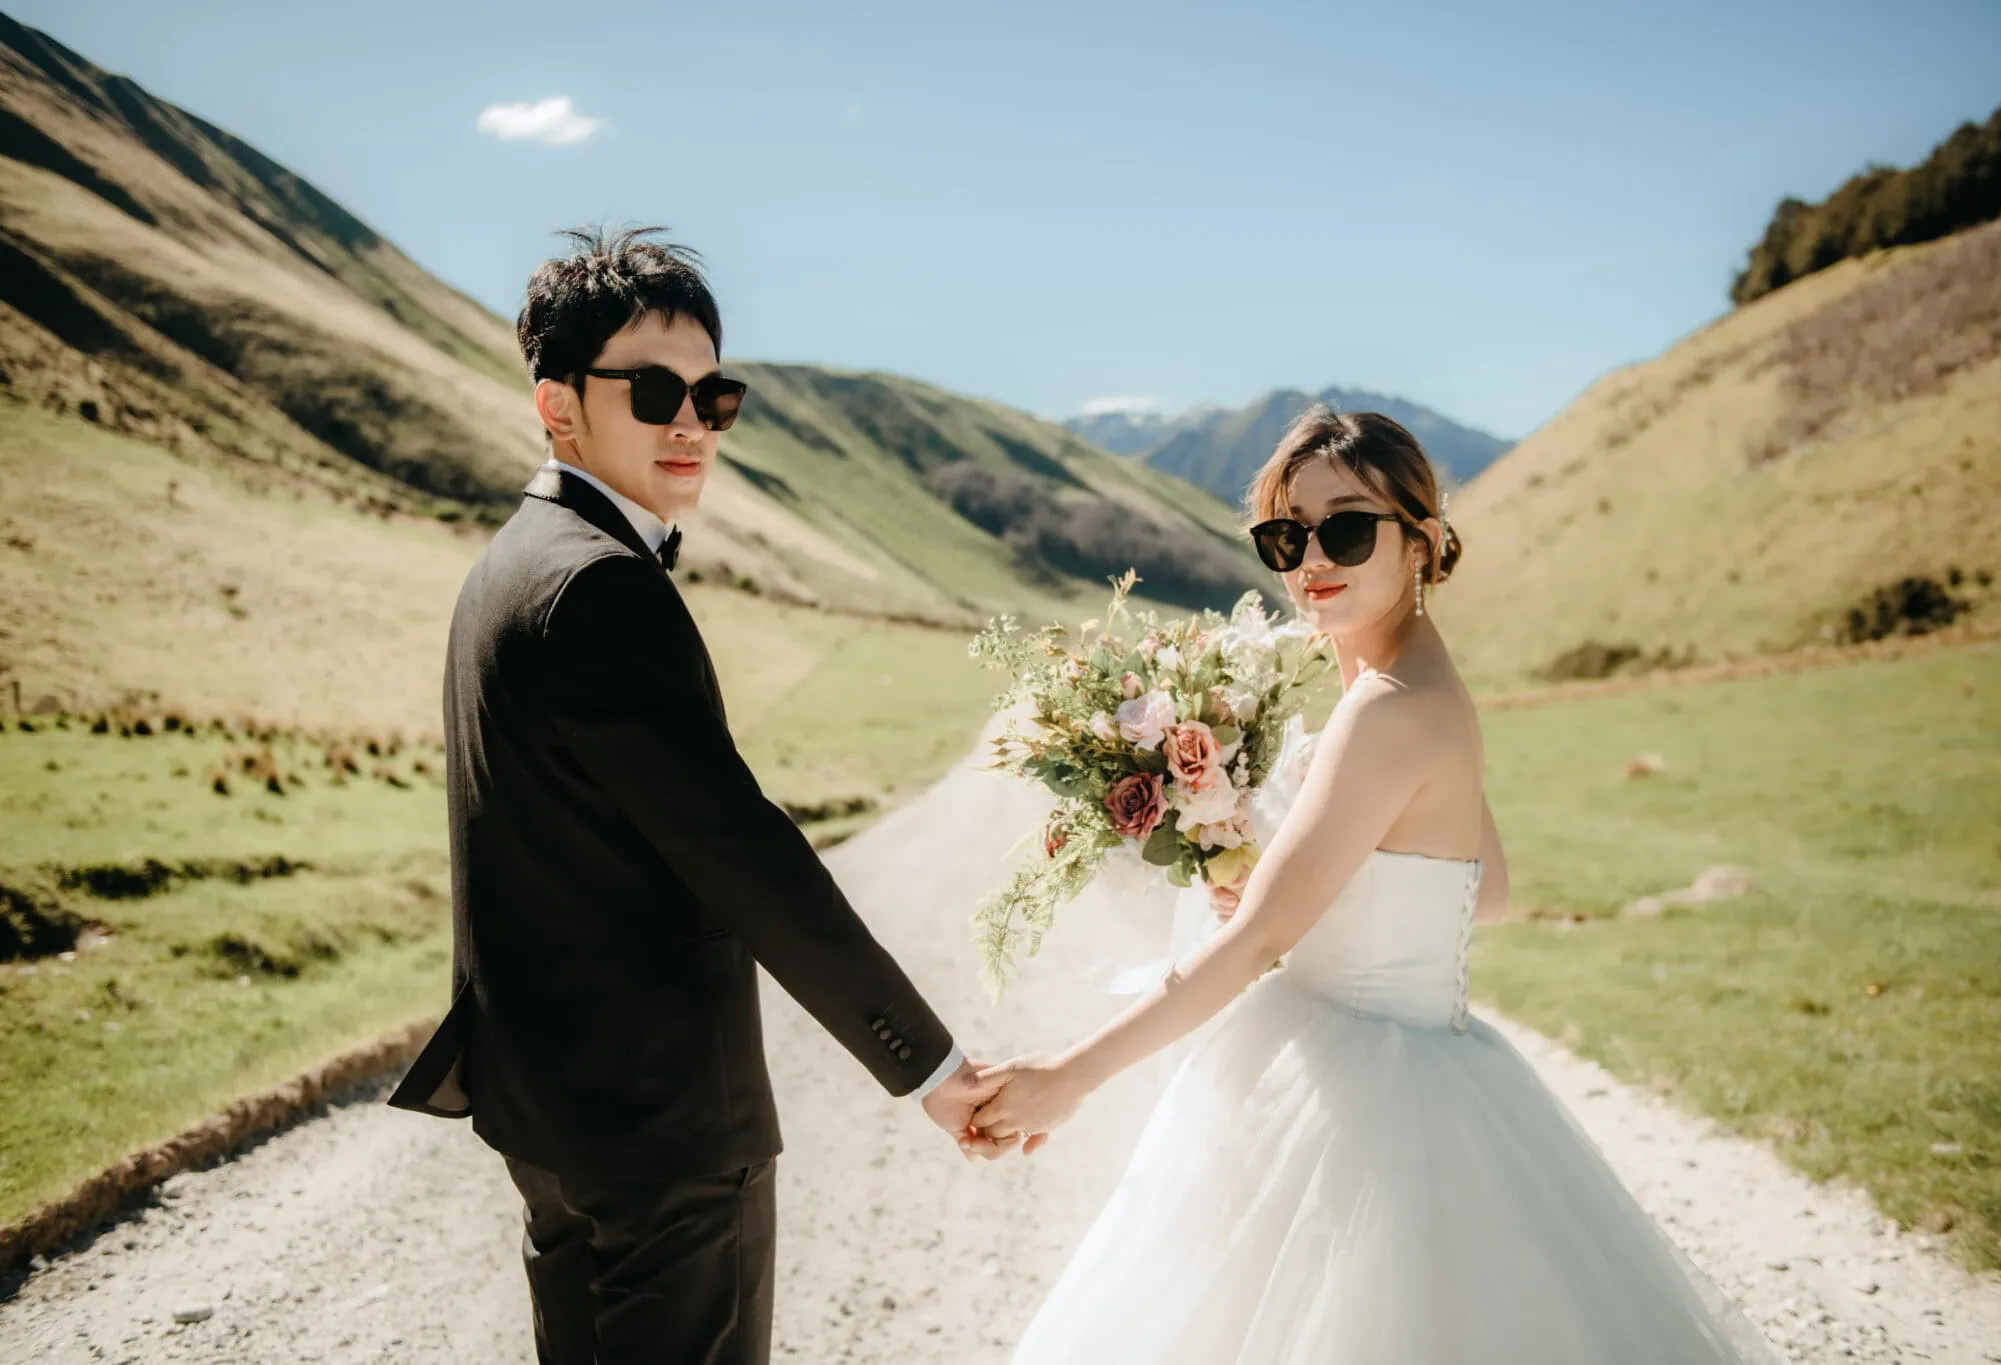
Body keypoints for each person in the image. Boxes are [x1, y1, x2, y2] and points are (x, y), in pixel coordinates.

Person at [972, 408, 1779, 1363]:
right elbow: (1487, 889)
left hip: (1357, 1099)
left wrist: (1070, 1077)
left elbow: (1257, 943)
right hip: (1409, 1062)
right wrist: (1309, 893)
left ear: (1425, 543)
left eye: (1347, 527)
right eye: (1287, 532)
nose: (1312, 555)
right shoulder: (1422, 687)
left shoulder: (1386, 711)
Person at [387, 227, 1009, 1365]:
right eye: (653, 389)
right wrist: (924, 1063)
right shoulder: (599, 586)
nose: (688, 422)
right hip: (661, 1136)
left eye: (710, 396)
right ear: (557, 404)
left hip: (554, 1120)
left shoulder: (509, 565)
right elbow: (745, 859)